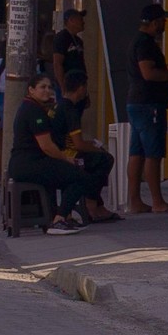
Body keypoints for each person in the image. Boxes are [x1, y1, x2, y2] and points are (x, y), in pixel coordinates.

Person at [9, 75, 105, 235]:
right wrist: (66, 159)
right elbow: (46, 146)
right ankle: (59, 220)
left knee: (66, 174)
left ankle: (62, 216)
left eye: (49, 87)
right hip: (29, 164)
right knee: (79, 177)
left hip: (27, 163)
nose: (47, 91)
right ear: (31, 90)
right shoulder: (34, 111)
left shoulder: (32, 107)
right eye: (42, 87)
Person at [126, 2, 168, 215]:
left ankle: (135, 201)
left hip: (138, 103)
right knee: (153, 154)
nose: (164, 25)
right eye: (163, 21)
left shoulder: (138, 41)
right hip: (149, 107)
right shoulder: (145, 44)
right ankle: (157, 201)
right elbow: (148, 73)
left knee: (137, 153)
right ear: (155, 23)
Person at [53, 71, 119, 222]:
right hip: (66, 154)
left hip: (59, 151)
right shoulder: (71, 110)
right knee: (104, 159)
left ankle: (96, 203)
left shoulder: (58, 105)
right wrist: (99, 148)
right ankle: (91, 202)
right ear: (81, 88)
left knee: (95, 161)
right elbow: (79, 144)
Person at [51, 8, 88, 90]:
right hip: (68, 84)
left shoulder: (78, 41)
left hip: (79, 83)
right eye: (80, 19)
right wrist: (62, 87)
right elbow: (57, 63)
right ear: (71, 20)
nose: (83, 22)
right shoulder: (61, 38)